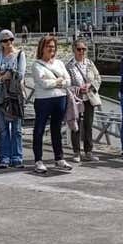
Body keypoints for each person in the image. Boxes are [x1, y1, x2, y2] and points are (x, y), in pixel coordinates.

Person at [31, 35, 73, 173]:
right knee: (39, 129)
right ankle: (38, 160)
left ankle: (59, 158)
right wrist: (59, 81)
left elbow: (69, 81)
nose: (51, 49)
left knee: (57, 129)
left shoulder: (59, 63)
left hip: (60, 98)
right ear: (42, 48)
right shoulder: (36, 65)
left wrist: (55, 82)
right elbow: (43, 83)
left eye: (53, 47)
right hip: (43, 100)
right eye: (48, 46)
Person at [0, 30, 27, 168]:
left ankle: (17, 157)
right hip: (0, 94)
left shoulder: (20, 54)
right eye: (5, 41)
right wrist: (3, 75)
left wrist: (3, 75)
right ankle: (5, 157)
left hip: (15, 95)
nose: (9, 43)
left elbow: (20, 75)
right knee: (3, 129)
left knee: (17, 128)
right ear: (1, 43)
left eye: (11, 39)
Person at [66, 39, 103, 162]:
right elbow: (66, 84)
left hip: (89, 98)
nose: (81, 51)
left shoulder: (90, 63)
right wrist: (77, 88)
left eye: (84, 49)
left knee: (88, 125)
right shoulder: (69, 66)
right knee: (75, 125)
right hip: (76, 99)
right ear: (74, 50)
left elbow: (98, 78)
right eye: (79, 49)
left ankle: (88, 151)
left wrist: (90, 86)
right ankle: (76, 152)